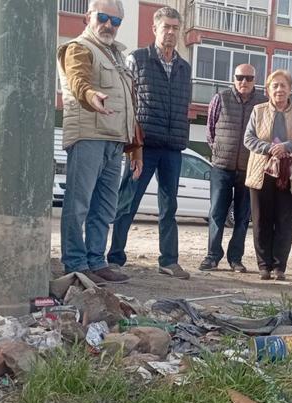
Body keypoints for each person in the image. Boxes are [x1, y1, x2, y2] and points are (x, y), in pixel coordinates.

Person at [57, 0, 140, 286]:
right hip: (88, 136)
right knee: (78, 204)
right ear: (88, 17)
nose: (109, 25)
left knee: (104, 208)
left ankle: (96, 261)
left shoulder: (117, 56)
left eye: (115, 21)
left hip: (114, 141)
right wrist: (92, 95)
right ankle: (75, 264)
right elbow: (78, 80)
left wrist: (135, 147)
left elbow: (130, 104)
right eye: (103, 18)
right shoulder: (79, 48)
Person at [107, 6, 192, 279]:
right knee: (127, 201)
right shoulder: (137, 59)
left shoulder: (184, 67)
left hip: (173, 147)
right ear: (154, 29)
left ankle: (169, 260)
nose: (171, 32)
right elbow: (127, 102)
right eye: (166, 27)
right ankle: (115, 258)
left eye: (175, 28)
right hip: (143, 146)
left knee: (170, 206)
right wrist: (133, 144)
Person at [243, 69, 292, 281]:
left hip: (291, 175)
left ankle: (279, 266)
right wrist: (269, 148)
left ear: (290, 89)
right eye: (275, 86)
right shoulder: (258, 111)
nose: (279, 90)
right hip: (261, 173)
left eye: (283, 85)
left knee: (285, 221)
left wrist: (287, 147)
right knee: (262, 220)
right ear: (268, 90)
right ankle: (264, 265)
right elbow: (248, 139)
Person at [199, 64, 268, 274]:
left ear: (255, 79)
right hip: (221, 167)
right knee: (216, 214)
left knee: (242, 217)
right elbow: (210, 132)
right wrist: (220, 151)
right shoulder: (220, 98)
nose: (244, 82)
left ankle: (235, 259)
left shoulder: (262, 103)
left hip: (249, 170)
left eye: (248, 78)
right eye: (240, 77)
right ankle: (212, 256)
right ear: (234, 78)